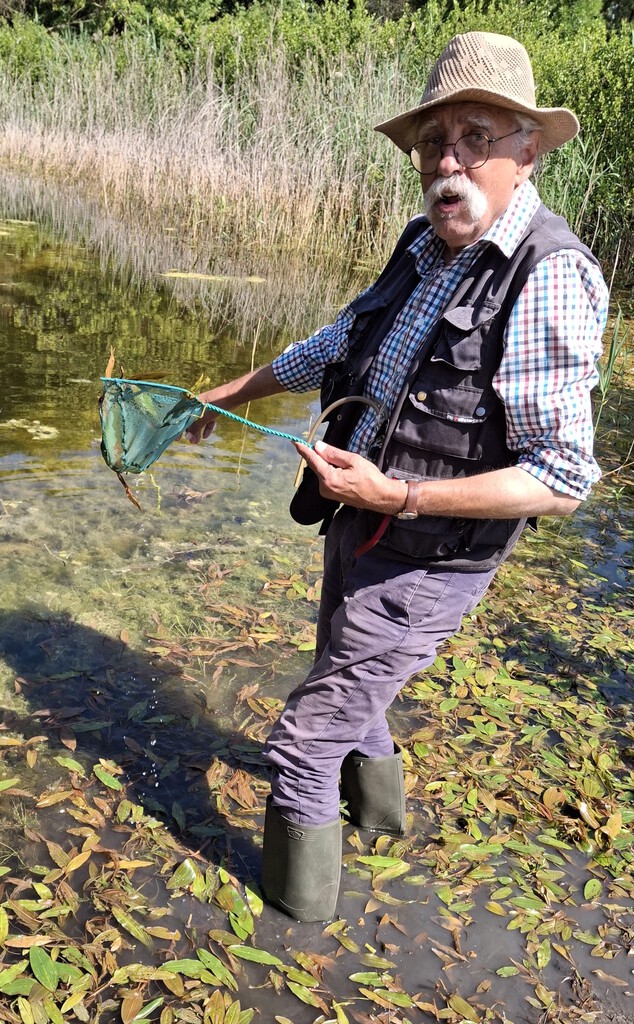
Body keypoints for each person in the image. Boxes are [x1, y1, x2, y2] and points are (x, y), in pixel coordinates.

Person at [186, 31, 609, 922]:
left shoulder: (549, 275)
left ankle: (296, 933)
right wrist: (226, 394)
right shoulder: (424, 244)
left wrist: (401, 495)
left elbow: (562, 477)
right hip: (357, 519)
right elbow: (337, 343)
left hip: (432, 554)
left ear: (527, 151)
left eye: (476, 138)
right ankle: (381, 826)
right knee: (350, 683)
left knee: (304, 744)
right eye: (431, 142)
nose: (448, 162)